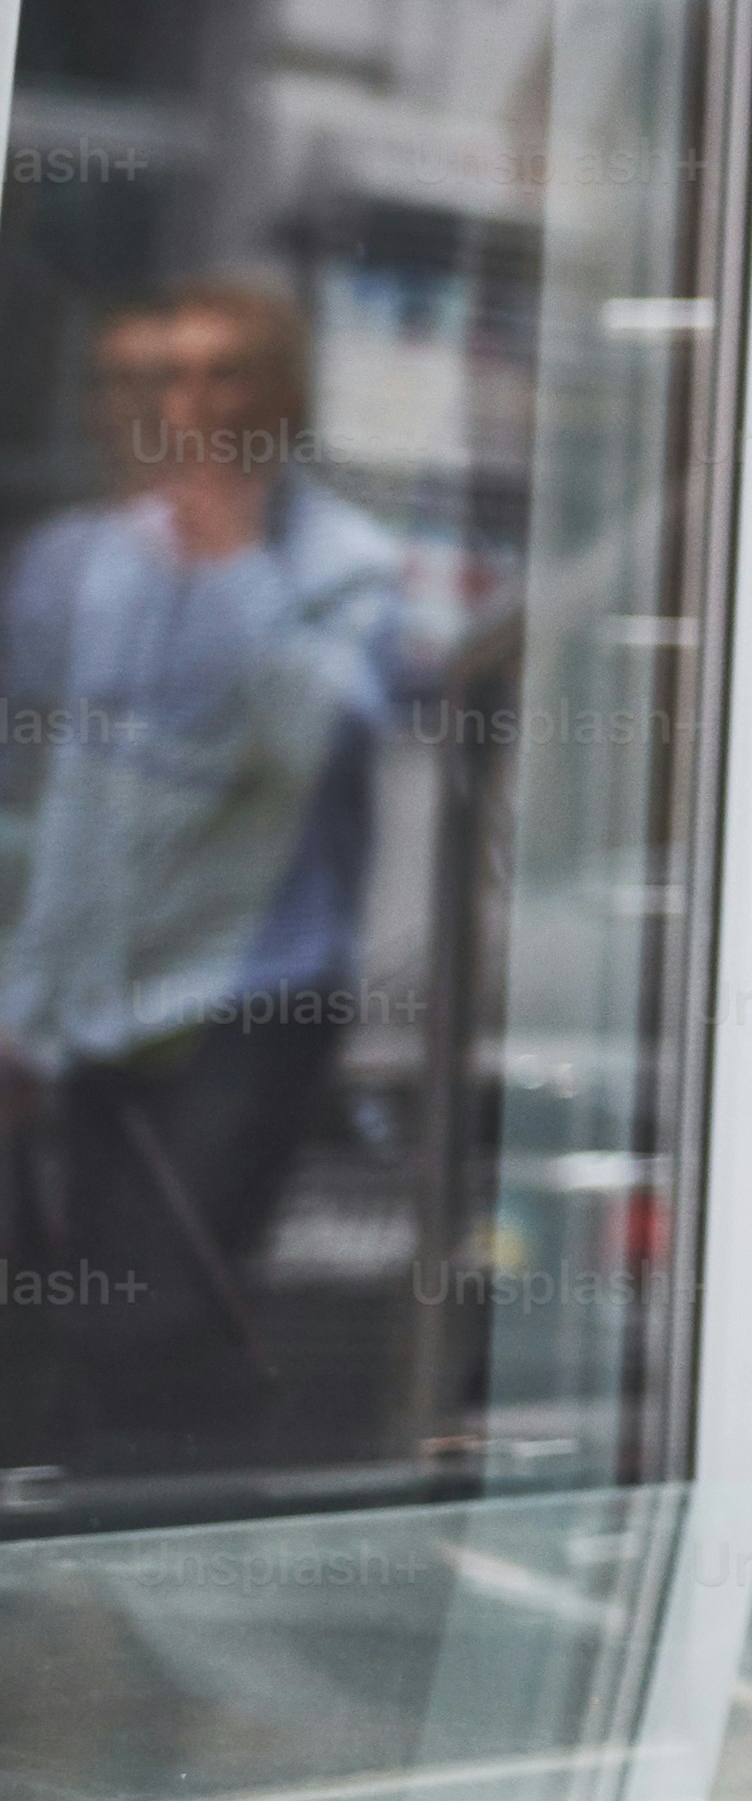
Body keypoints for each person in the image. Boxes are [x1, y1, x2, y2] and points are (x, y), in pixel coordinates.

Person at [0, 275, 435, 1452]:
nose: (185, 402)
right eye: (161, 376)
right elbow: (60, 802)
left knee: (159, 1308)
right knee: (81, 1309)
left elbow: (323, 738)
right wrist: (23, 1008)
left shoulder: (344, 562)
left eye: (219, 371)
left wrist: (233, 551)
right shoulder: (88, 562)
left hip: (248, 997)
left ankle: (193, 1530)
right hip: (101, 999)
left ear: (282, 397)